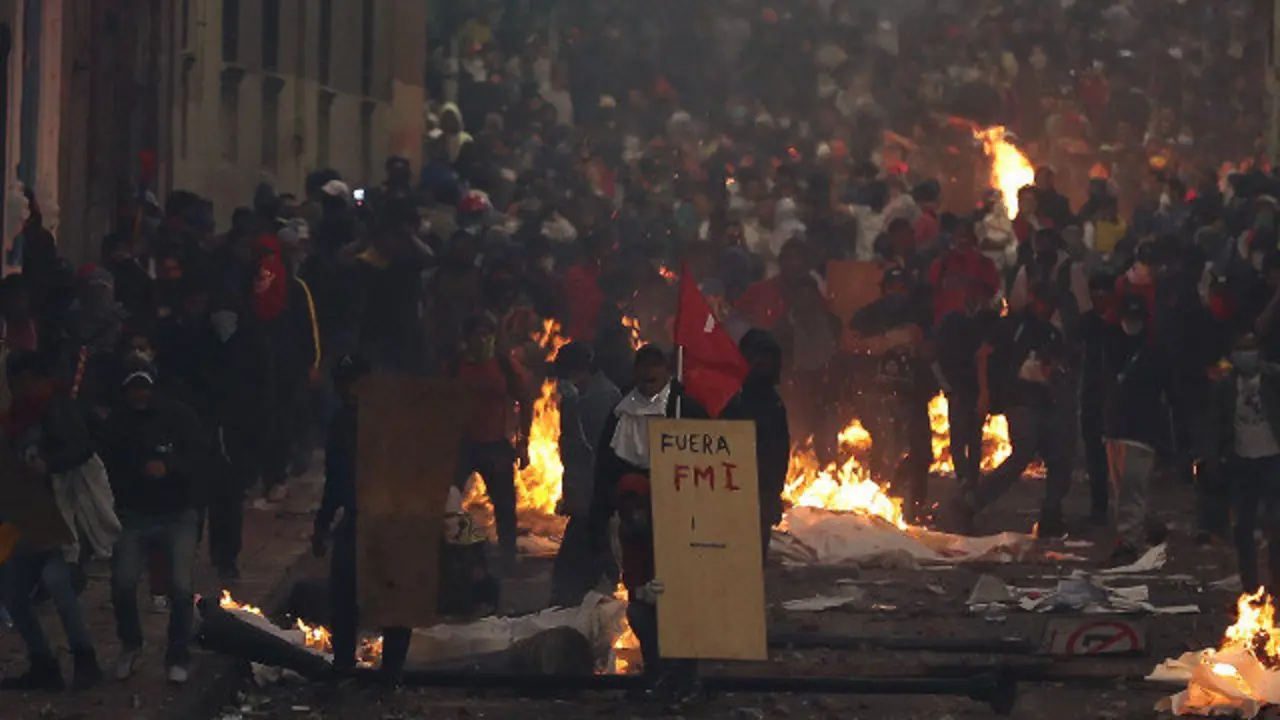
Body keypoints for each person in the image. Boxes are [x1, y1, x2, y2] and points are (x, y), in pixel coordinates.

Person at [0, 351, 104, 692]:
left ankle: (85, 659)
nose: (20, 387)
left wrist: (50, 464)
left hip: (60, 519)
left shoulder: (57, 408)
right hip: (25, 520)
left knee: (58, 585)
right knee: (14, 594)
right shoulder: (16, 417)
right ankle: (43, 663)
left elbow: (82, 447)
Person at [102, 364, 206, 684]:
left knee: (181, 587)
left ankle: (178, 655)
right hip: (134, 515)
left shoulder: (179, 417)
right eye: (133, 388)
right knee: (122, 583)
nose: (140, 395)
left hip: (178, 513)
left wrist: (170, 467)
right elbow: (107, 465)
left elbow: (200, 457)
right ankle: (130, 644)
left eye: (144, 387)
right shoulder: (117, 423)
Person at [311, 355, 412, 681]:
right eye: (344, 384)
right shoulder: (340, 424)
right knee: (343, 595)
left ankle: (392, 672)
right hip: (356, 519)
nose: (350, 391)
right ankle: (343, 664)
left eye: (356, 383)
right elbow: (334, 480)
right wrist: (322, 525)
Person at [957, 283, 1072, 537]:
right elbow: (984, 354)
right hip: (1018, 399)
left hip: (1045, 401)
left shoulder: (1052, 332)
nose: (1046, 307)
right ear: (1033, 298)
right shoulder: (1015, 325)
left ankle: (1051, 515)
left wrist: (1054, 374)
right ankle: (973, 502)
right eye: (1042, 300)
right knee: (1022, 455)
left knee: (1059, 458)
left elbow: (1058, 366)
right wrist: (985, 393)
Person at [452, 314, 531, 571]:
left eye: (488, 334)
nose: (483, 340)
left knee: (505, 507)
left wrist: (523, 442)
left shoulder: (504, 366)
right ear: (467, 339)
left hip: (496, 444)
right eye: (478, 334)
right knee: (449, 502)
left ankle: (507, 558)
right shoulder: (455, 368)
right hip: (463, 445)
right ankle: (456, 553)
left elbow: (525, 400)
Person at [1103, 294, 1175, 564]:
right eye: (1128, 318)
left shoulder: (1156, 353)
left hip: (1141, 432)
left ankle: (1129, 542)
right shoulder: (1113, 348)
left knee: (1130, 489)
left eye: (1136, 318)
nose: (1131, 323)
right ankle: (1148, 526)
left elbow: (1169, 394)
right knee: (1125, 489)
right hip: (1116, 429)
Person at [1207, 332, 1280, 594]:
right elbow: (1216, 424)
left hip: (1273, 460)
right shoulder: (1226, 387)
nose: (1245, 354)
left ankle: (1276, 583)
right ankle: (1250, 586)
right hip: (1242, 462)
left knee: (1276, 524)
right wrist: (1214, 457)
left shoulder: (1274, 380)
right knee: (1243, 527)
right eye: (1240, 349)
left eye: (1249, 348)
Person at [549, 342, 620, 606]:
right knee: (594, 542)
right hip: (585, 489)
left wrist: (570, 407)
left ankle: (568, 598)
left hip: (593, 489)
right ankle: (602, 581)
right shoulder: (586, 395)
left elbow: (586, 448)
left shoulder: (600, 398)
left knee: (578, 549)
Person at [722, 330, 790, 560]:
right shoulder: (729, 397)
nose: (763, 364)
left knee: (754, 560)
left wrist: (773, 494)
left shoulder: (774, 404)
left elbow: (778, 454)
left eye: (769, 358)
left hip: (760, 492)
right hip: (726, 486)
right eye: (758, 357)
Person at [933, 281, 1002, 494]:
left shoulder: (987, 323)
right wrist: (949, 386)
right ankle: (967, 478)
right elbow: (939, 355)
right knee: (963, 437)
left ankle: (970, 480)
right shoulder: (953, 322)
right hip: (960, 388)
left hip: (972, 388)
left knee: (971, 436)